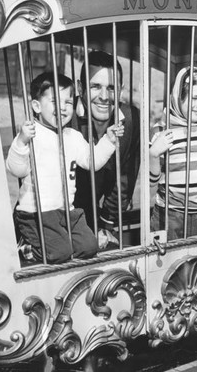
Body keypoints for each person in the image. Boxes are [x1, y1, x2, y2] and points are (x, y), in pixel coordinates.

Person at [6, 72, 124, 263]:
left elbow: (92, 162)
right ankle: (25, 248)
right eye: (54, 101)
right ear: (36, 106)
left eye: (68, 102)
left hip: (67, 211)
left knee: (89, 246)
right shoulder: (31, 135)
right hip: (37, 213)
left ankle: (60, 244)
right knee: (58, 254)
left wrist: (108, 141)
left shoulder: (72, 136)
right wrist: (21, 141)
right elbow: (16, 169)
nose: (62, 107)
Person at [73, 51, 140, 249]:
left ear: (120, 89)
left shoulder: (130, 118)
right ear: (80, 88)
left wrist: (107, 224)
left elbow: (125, 177)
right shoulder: (65, 118)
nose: (104, 96)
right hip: (57, 218)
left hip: (97, 213)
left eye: (111, 88)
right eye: (95, 86)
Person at [149, 67, 197, 240]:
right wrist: (153, 154)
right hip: (169, 214)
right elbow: (151, 181)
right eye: (194, 98)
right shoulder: (160, 131)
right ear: (178, 96)